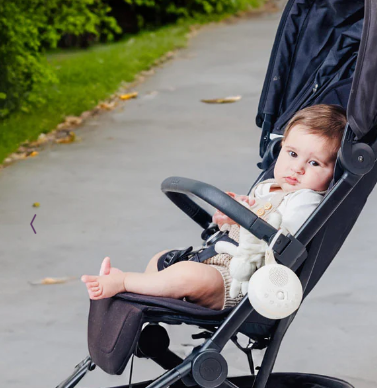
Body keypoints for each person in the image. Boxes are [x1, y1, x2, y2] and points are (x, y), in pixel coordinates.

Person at [81, 104, 347, 310]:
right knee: (162, 258)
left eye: (314, 163)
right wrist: (231, 216)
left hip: (240, 282)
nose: (297, 168)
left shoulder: (306, 199)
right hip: (216, 258)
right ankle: (141, 295)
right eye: (291, 153)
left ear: (333, 172)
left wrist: (246, 216)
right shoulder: (269, 188)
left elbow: (279, 238)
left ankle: (125, 282)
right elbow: (253, 222)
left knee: (186, 275)